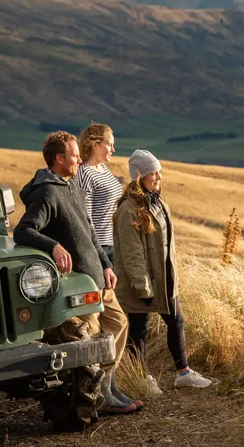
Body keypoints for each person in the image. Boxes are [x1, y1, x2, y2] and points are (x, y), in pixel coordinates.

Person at [14, 131, 142, 415]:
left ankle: (106, 385)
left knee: (119, 323)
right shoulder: (47, 192)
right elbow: (23, 230)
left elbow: (90, 233)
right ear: (59, 159)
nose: (78, 160)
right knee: (92, 336)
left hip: (97, 276)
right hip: (76, 286)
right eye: (74, 156)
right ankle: (96, 393)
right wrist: (55, 246)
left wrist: (106, 265)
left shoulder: (72, 186)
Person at [113, 149, 213, 393]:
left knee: (177, 321)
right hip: (143, 281)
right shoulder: (128, 209)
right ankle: (142, 379)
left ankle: (184, 373)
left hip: (164, 279)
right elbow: (132, 252)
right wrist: (142, 285)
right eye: (152, 172)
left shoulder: (157, 201)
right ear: (139, 176)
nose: (158, 177)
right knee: (138, 329)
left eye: (159, 172)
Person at [75, 123, 125, 265]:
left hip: (113, 244)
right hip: (98, 248)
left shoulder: (103, 168)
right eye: (109, 145)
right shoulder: (84, 173)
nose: (113, 149)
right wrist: (97, 253)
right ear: (95, 144)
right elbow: (86, 218)